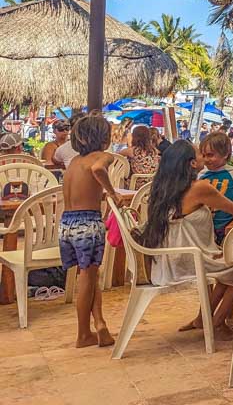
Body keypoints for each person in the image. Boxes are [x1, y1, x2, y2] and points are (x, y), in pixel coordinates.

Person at [140, 141, 233, 335]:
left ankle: (202, 319)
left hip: (166, 258)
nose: (203, 157)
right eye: (199, 154)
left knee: (228, 270)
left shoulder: (161, 188)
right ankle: (216, 322)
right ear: (192, 164)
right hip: (188, 258)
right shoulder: (200, 188)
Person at [59, 115, 119, 347]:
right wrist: (112, 193)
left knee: (89, 275)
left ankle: (100, 324)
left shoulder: (74, 162)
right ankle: (83, 333)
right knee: (89, 276)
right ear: (104, 138)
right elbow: (98, 169)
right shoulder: (102, 157)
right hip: (87, 222)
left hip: (67, 222)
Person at [197, 132, 233, 243]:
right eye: (203, 155)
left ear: (225, 154)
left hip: (227, 226)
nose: (206, 159)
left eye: (210, 155)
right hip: (203, 228)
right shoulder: (201, 174)